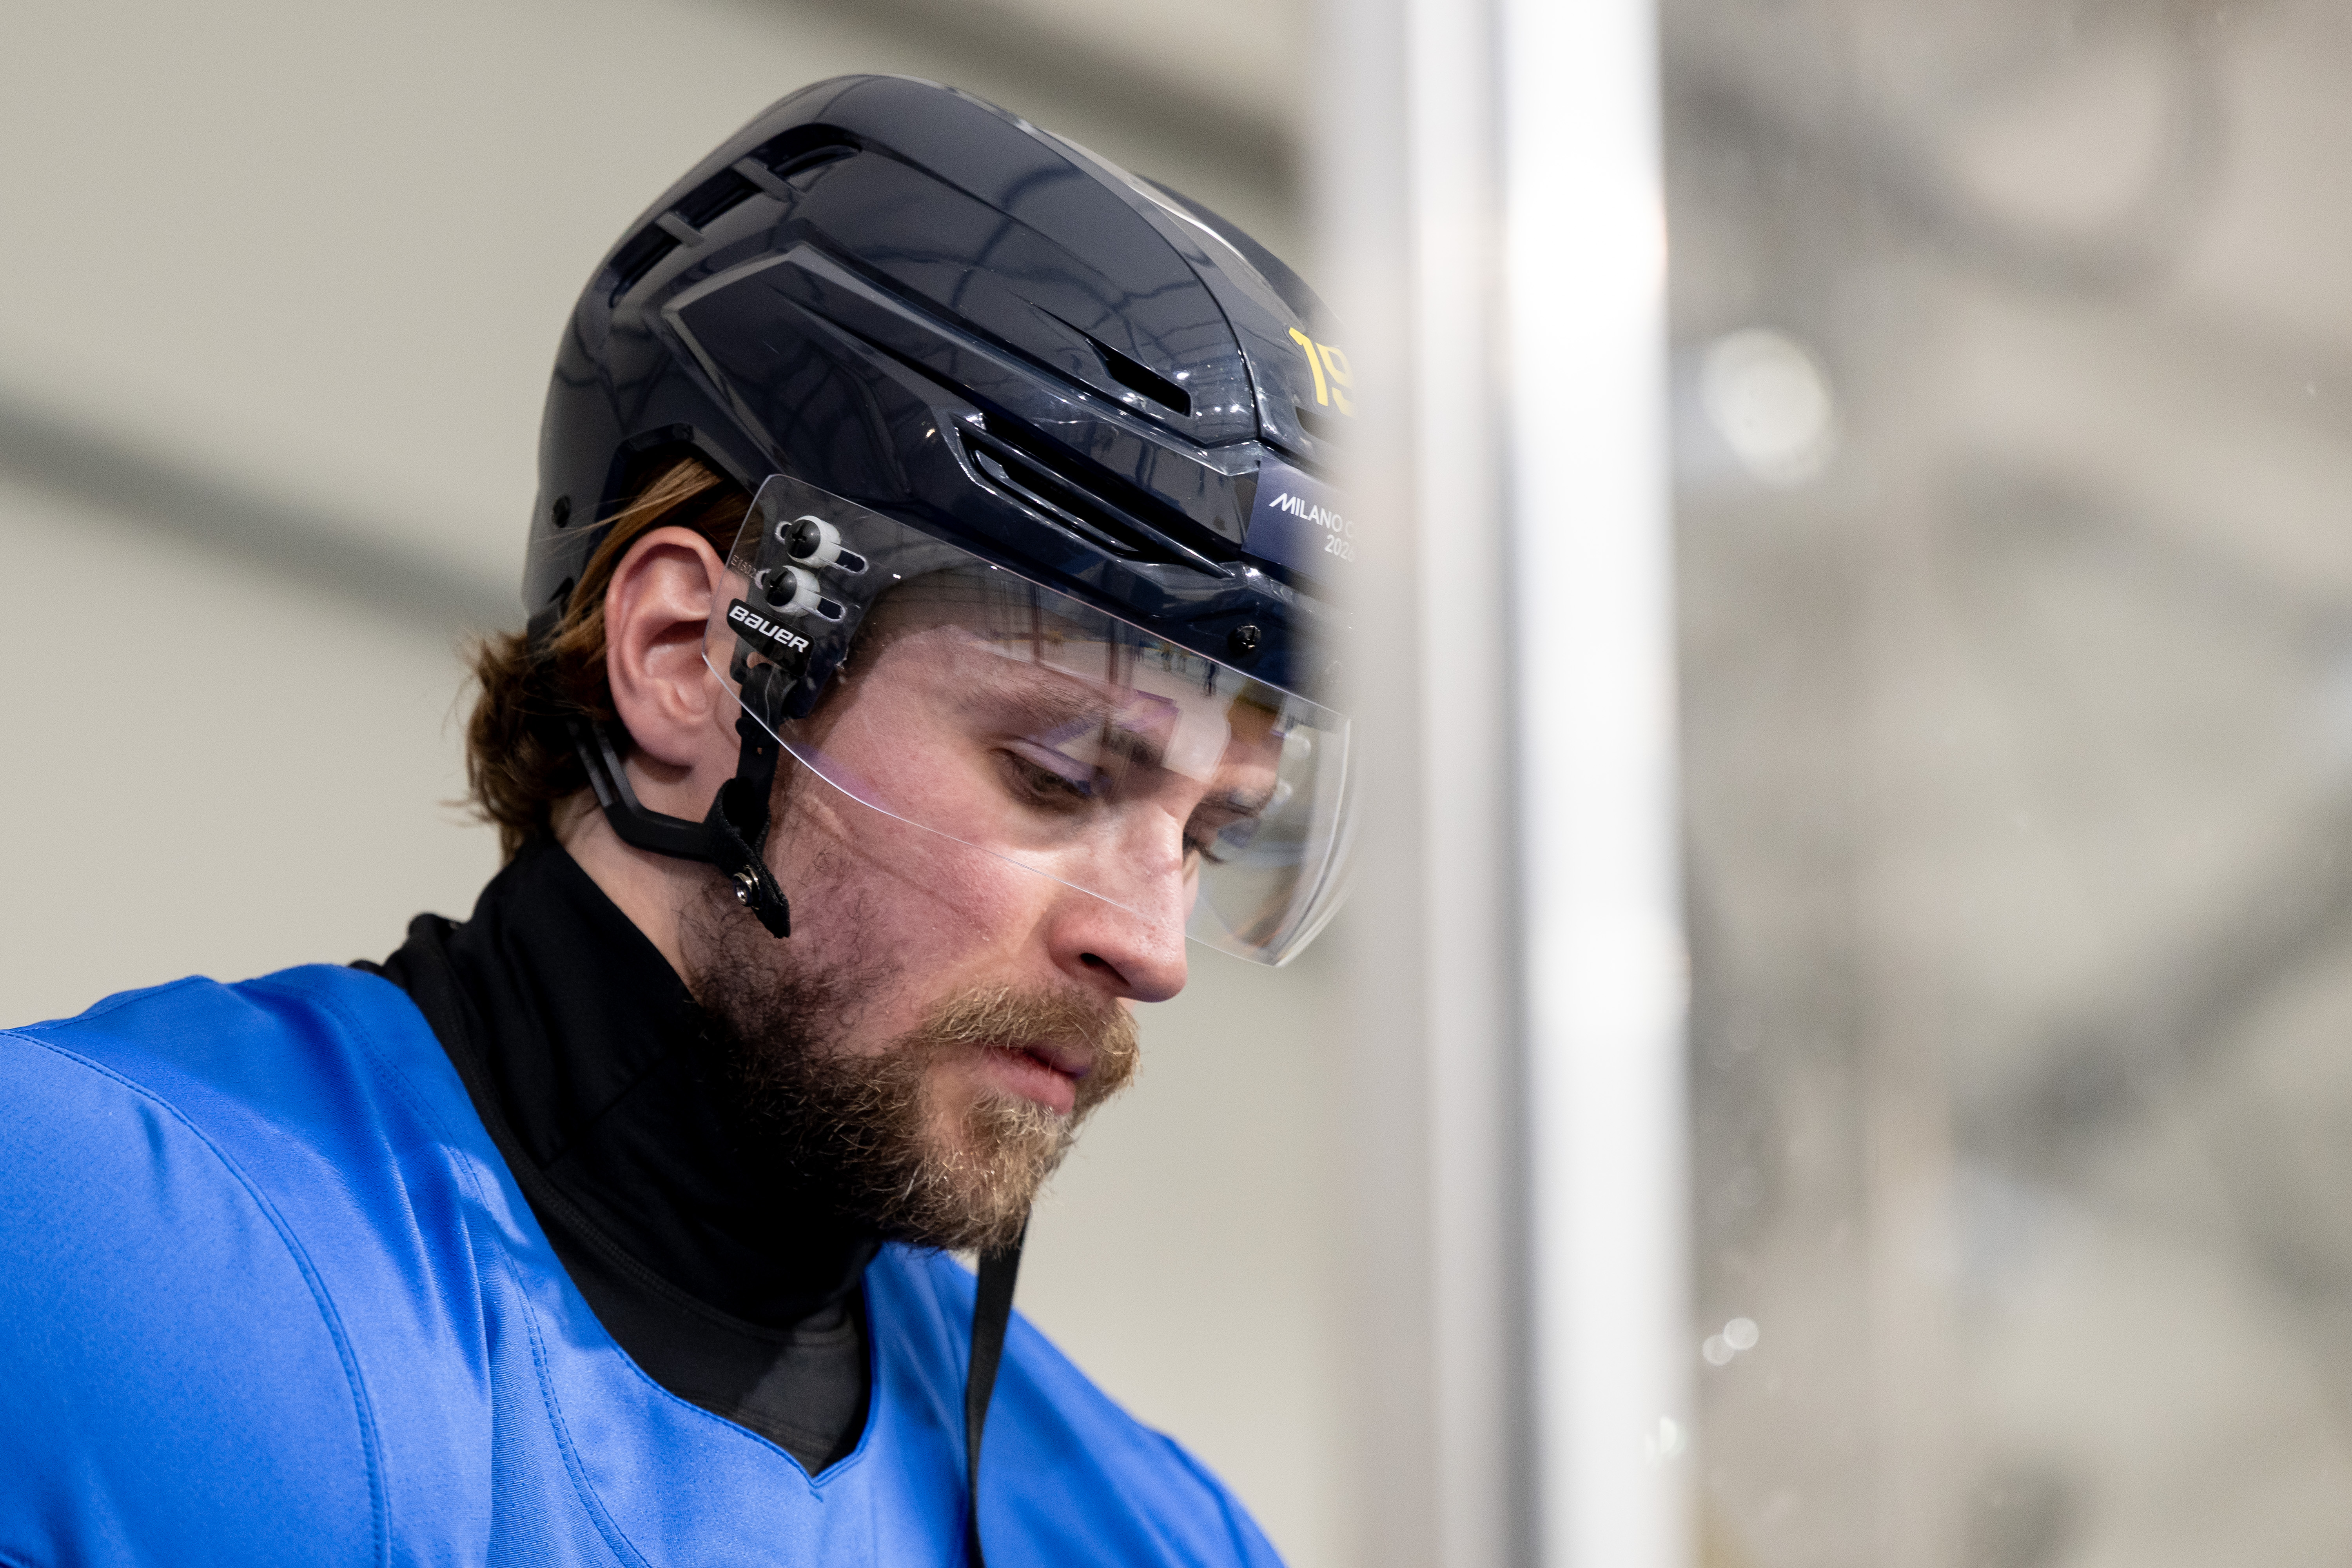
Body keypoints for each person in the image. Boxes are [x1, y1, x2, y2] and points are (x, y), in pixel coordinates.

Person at [0, 74, 1355, 1566]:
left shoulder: (1160, 1537)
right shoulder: (113, 1249)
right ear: (687, 660)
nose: (1152, 946)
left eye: (1208, 836)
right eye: (1055, 772)